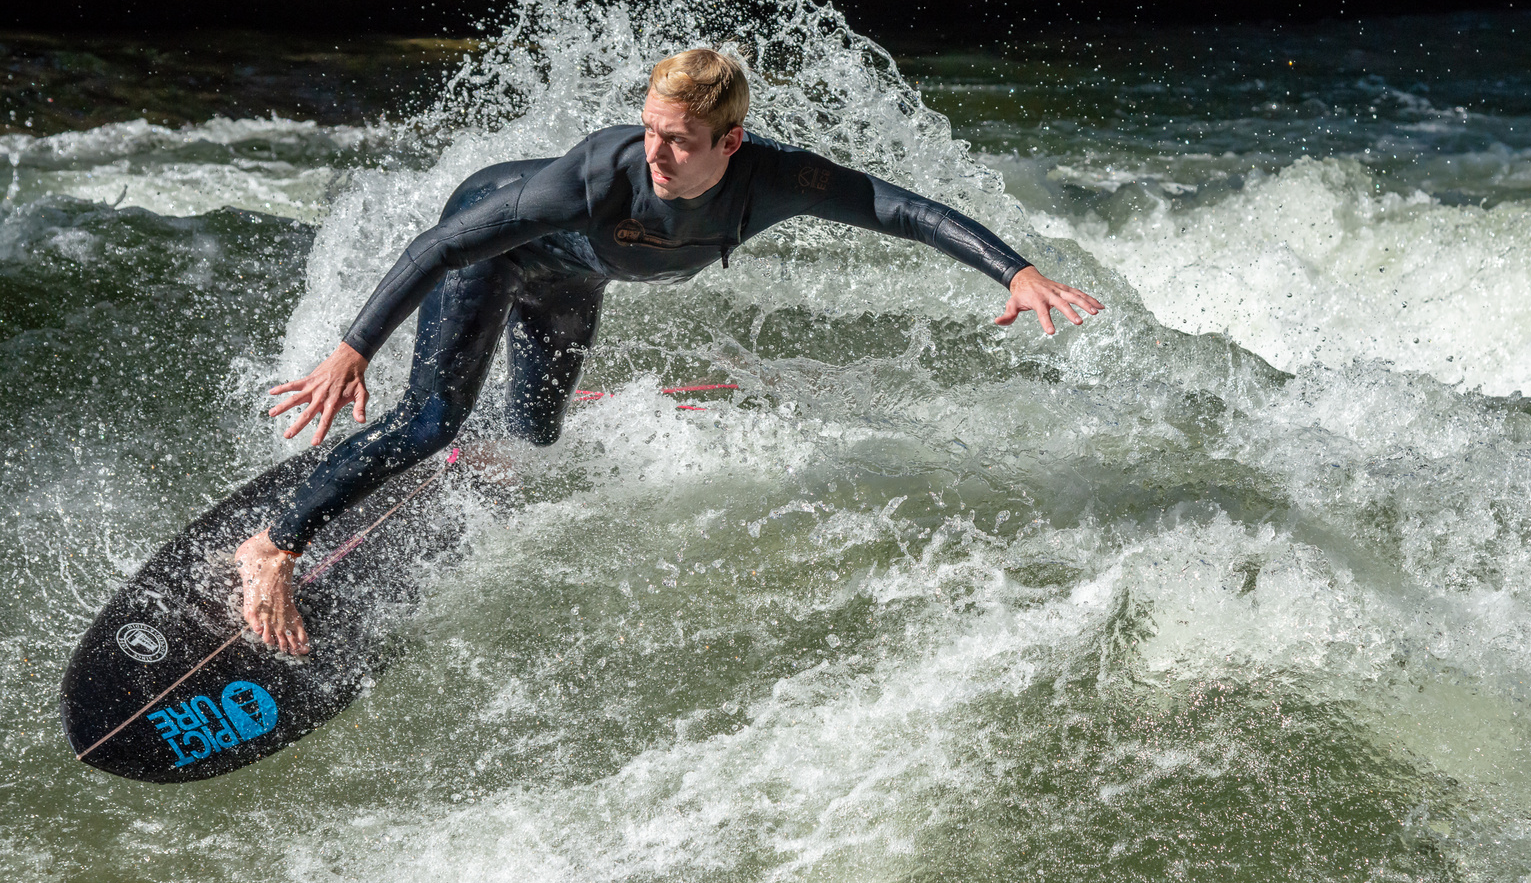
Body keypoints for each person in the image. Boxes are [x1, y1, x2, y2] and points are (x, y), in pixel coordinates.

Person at [235, 49, 1104, 655]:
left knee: (535, 436)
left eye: (678, 140)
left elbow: (901, 209)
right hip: (492, 252)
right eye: (649, 128)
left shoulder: (778, 181)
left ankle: (464, 459)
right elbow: (442, 249)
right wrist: (353, 348)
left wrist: (1018, 271)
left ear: (730, 142)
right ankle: (273, 547)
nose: (656, 152)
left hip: (571, 282)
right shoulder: (587, 178)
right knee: (429, 418)